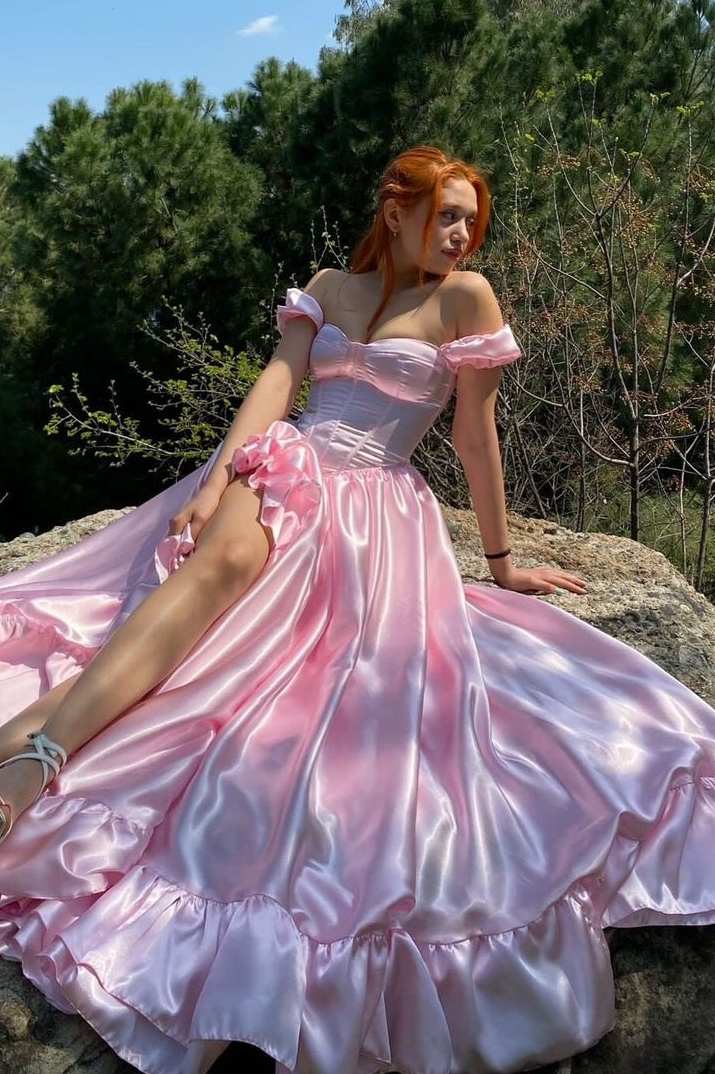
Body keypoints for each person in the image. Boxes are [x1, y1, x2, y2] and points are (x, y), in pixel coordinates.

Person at [0, 144, 714, 1074]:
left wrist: (501, 562)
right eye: (445, 215)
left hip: (376, 511)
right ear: (395, 209)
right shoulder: (330, 288)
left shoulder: (466, 300)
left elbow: (474, 433)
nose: (459, 235)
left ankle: (31, 743)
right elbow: (276, 384)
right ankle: (42, 755)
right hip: (288, 464)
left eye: (469, 221)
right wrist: (214, 479)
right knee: (216, 570)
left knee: (226, 648)